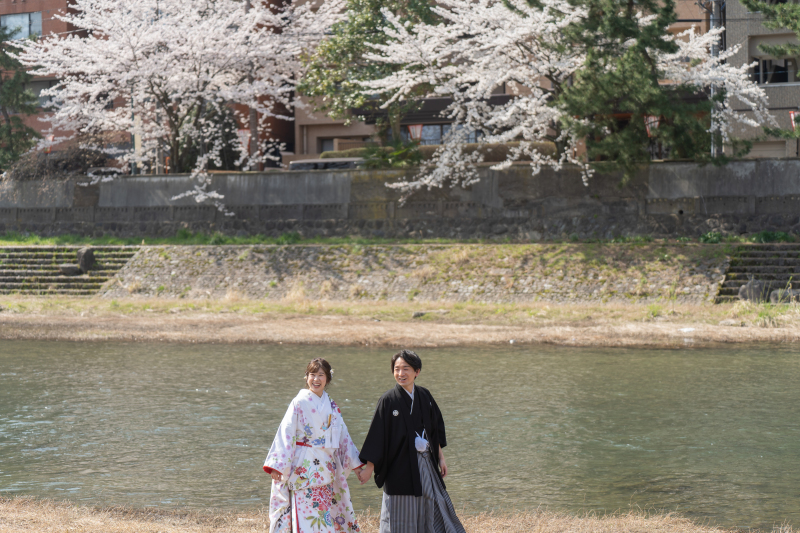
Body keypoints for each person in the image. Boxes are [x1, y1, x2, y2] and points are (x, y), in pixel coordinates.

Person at [356, 349, 465, 533]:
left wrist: (441, 458)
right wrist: (369, 468)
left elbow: (434, 430)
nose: (401, 374)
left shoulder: (425, 396)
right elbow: (378, 436)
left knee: (434, 502)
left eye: (406, 368)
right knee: (400, 512)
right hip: (399, 466)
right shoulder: (388, 400)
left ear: (417, 371)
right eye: (397, 369)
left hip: (426, 463)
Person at [264, 358, 364, 533]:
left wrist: (356, 466)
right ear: (306, 377)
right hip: (303, 467)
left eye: (321, 375)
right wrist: (278, 466)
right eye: (312, 375)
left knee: (322, 516)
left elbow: (343, 437)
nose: (316, 379)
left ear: (328, 379)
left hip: (325, 468)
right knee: (304, 515)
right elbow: (286, 432)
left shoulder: (332, 406)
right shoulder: (299, 402)